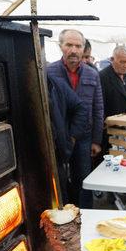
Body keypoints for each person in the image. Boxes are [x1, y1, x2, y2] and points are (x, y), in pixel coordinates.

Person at [46, 29, 103, 208]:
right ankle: (64, 217)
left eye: (78, 46)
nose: (74, 50)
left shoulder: (92, 73)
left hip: (84, 137)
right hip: (58, 137)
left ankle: (86, 216)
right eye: (69, 45)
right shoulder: (49, 72)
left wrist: (96, 140)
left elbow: (98, 107)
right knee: (59, 180)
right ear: (60, 46)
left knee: (84, 180)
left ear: (83, 48)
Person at [46, 74, 88, 203]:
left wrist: (72, 137)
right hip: (31, 159)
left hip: (57, 155)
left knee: (60, 199)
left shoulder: (55, 83)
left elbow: (80, 108)